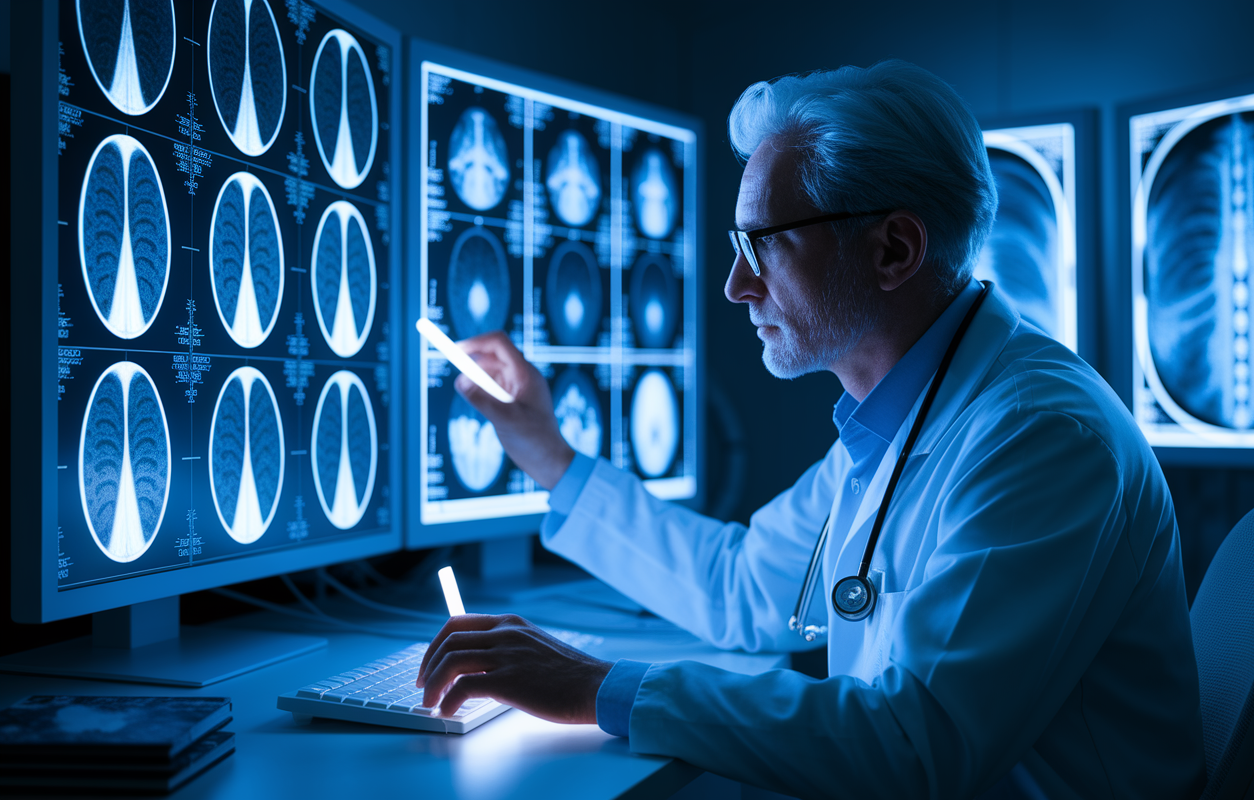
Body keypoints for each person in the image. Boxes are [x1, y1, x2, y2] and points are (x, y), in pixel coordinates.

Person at [415, 60, 1205, 799]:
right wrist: (550, 457)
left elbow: (915, 745)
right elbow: (743, 586)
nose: (735, 284)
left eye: (765, 243)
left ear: (893, 248)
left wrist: (598, 687)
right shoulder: (899, 419)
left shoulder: (1042, 438)